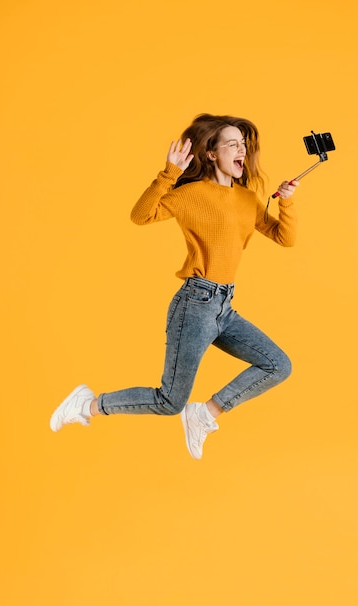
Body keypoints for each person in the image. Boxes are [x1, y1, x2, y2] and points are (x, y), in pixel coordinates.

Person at [50, 113, 299, 459]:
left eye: (243, 144)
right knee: (170, 401)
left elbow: (284, 237)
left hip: (223, 306)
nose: (242, 149)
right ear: (211, 154)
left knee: (278, 365)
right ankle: (88, 404)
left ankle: (205, 413)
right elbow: (141, 215)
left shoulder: (246, 199)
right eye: (232, 144)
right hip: (196, 304)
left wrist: (286, 199)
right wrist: (169, 173)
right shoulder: (192, 194)